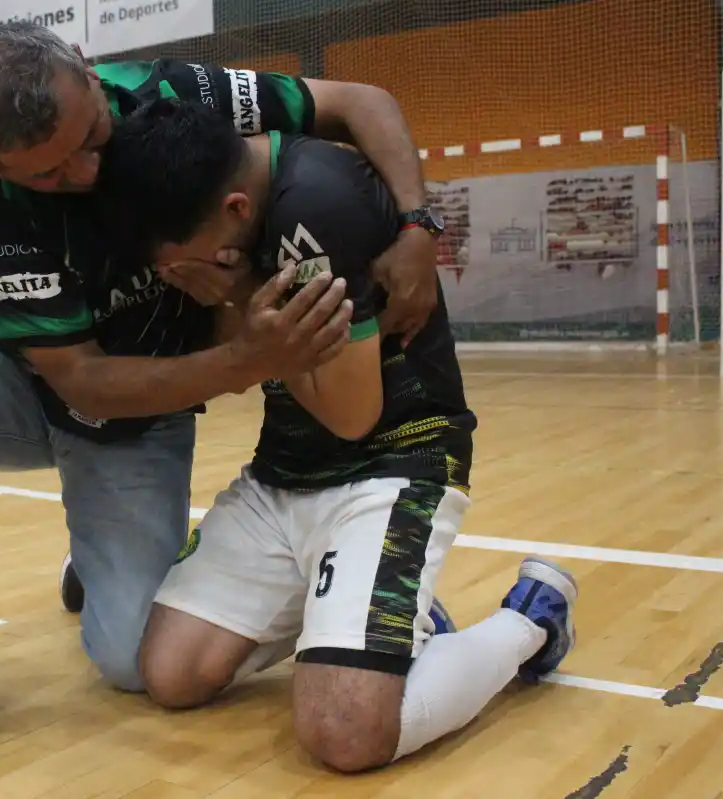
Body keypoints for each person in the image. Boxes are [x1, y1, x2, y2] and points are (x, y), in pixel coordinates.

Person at [0, 20, 441, 765]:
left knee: (129, 663)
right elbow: (84, 381)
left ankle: (104, 559)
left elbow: (361, 101)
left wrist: (418, 223)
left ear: (87, 68)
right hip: (42, 385)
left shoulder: (172, 92)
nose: (80, 172)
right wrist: (248, 355)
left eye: (90, 138)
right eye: (45, 174)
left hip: (142, 420)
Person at [94, 99, 578, 774]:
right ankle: (377, 611)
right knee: (172, 674)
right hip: (285, 470)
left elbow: (352, 413)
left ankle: (533, 620)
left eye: (183, 264)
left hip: (394, 461)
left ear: (236, 208)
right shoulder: (232, 211)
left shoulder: (317, 208)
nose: (181, 278)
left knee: (345, 732)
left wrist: (239, 297)